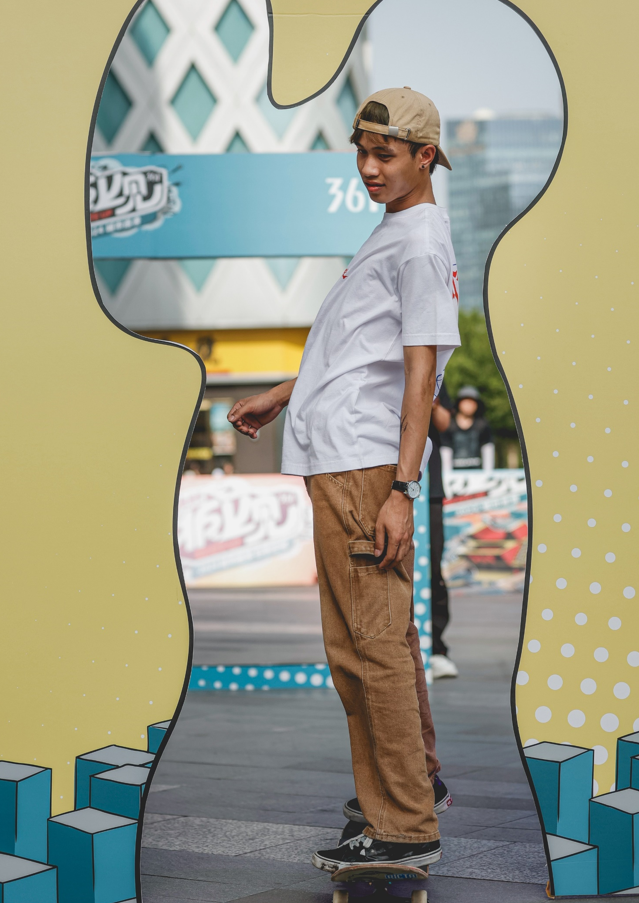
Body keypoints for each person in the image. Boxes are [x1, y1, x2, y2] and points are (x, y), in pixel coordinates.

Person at [229, 89, 458, 873]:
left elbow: (421, 368)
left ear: (425, 156)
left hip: (364, 467)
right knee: (378, 640)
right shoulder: (394, 230)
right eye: (361, 151)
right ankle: (410, 787)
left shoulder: (418, 240)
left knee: (368, 649)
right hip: (343, 459)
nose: (368, 167)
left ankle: (403, 823)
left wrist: (402, 487)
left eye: (384, 154)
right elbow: (360, 351)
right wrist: (284, 393)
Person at [427, 389, 458, 679]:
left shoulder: (434, 370)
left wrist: (431, 398)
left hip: (428, 489)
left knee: (432, 567)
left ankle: (436, 647)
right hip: (384, 480)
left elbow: (444, 423)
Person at [441, 385, 494, 473]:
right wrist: (447, 476)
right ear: (459, 403)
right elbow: (445, 452)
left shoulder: (482, 425)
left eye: (473, 402)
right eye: (466, 401)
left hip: (477, 475)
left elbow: (488, 451)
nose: (470, 405)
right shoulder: (449, 425)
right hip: (454, 476)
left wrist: (487, 475)